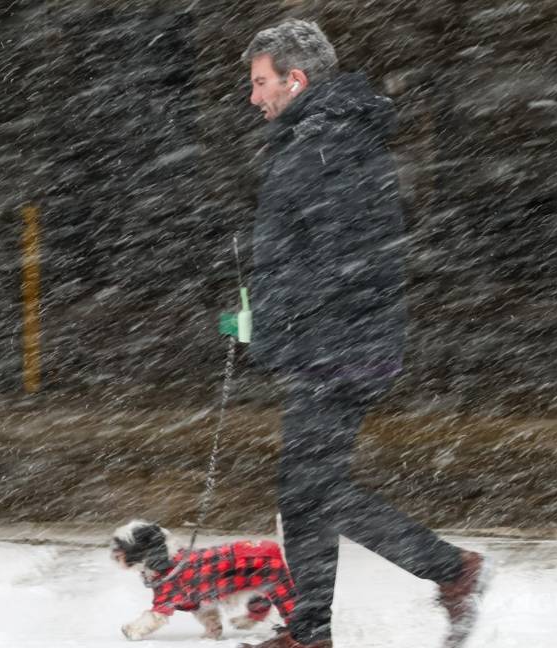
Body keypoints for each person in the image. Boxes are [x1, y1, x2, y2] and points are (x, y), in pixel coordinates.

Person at [236, 19, 491, 648]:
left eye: (261, 82)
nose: (253, 96)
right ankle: (311, 632)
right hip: (330, 342)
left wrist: (284, 313)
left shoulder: (328, 145)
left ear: (295, 80)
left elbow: (345, 258)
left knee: (311, 491)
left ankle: (451, 569)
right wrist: (256, 310)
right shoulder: (320, 139)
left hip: (338, 346)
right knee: (305, 493)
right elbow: (302, 253)